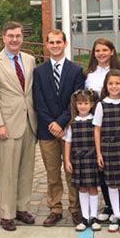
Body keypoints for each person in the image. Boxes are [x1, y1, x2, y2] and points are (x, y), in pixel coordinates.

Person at [0, 21, 37, 231]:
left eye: (18, 36)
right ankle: (7, 213)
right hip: (7, 125)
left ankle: (22, 208)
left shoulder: (30, 60)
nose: (15, 39)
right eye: (11, 36)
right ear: (3, 37)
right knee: (8, 171)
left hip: (29, 123)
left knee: (26, 169)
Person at [33, 30, 84, 227]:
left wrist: (62, 122)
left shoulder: (75, 71)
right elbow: (38, 101)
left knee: (72, 170)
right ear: (46, 45)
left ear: (65, 44)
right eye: (51, 42)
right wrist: (51, 124)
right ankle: (55, 209)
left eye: (58, 42)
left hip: (69, 129)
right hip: (47, 131)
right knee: (52, 172)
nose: (55, 45)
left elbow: (76, 100)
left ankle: (75, 208)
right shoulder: (38, 72)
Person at [84, 38, 120, 222]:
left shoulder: (119, 73)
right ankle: (109, 205)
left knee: (118, 167)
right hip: (94, 124)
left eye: (104, 50)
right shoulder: (88, 74)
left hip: (115, 125)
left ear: (112, 52)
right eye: (97, 50)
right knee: (101, 166)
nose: (101, 53)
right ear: (93, 53)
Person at [94, 69, 120, 234]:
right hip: (108, 149)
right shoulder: (101, 105)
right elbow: (97, 130)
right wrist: (99, 153)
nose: (114, 86)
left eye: (117, 83)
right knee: (111, 183)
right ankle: (115, 214)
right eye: (110, 83)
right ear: (106, 86)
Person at [64, 89, 102, 232]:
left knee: (92, 187)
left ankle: (94, 217)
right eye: (80, 103)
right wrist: (67, 160)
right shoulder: (72, 123)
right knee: (82, 187)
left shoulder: (95, 122)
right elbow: (68, 142)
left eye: (86, 103)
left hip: (91, 158)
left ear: (91, 104)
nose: (83, 106)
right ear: (75, 104)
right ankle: (84, 217)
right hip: (78, 160)